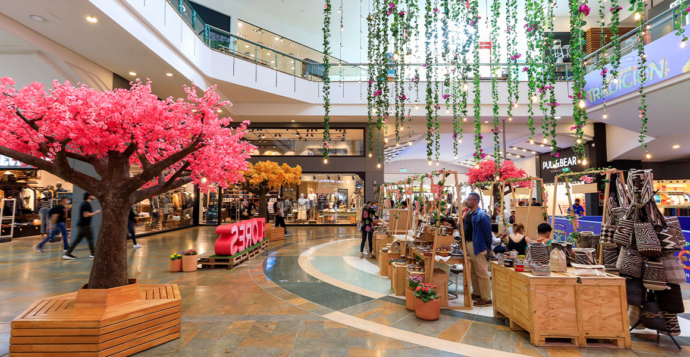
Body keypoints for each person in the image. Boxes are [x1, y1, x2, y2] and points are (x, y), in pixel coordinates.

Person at [463, 192, 493, 307]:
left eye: (469, 199)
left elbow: (487, 233)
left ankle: (486, 298)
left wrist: (488, 247)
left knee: (482, 271)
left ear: (476, 201)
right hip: (469, 244)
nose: (467, 201)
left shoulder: (482, 215)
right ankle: (477, 293)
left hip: (478, 245)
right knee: (473, 271)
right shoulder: (470, 213)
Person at [63, 193, 101, 259]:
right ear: (89, 196)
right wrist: (96, 212)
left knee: (78, 240)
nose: (94, 195)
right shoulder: (86, 204)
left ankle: (68, 253)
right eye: (92, 194)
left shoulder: (85, 203)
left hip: (83, 225)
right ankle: (93, 253)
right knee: (90, 239)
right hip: (85, 226)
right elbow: (85, 215)